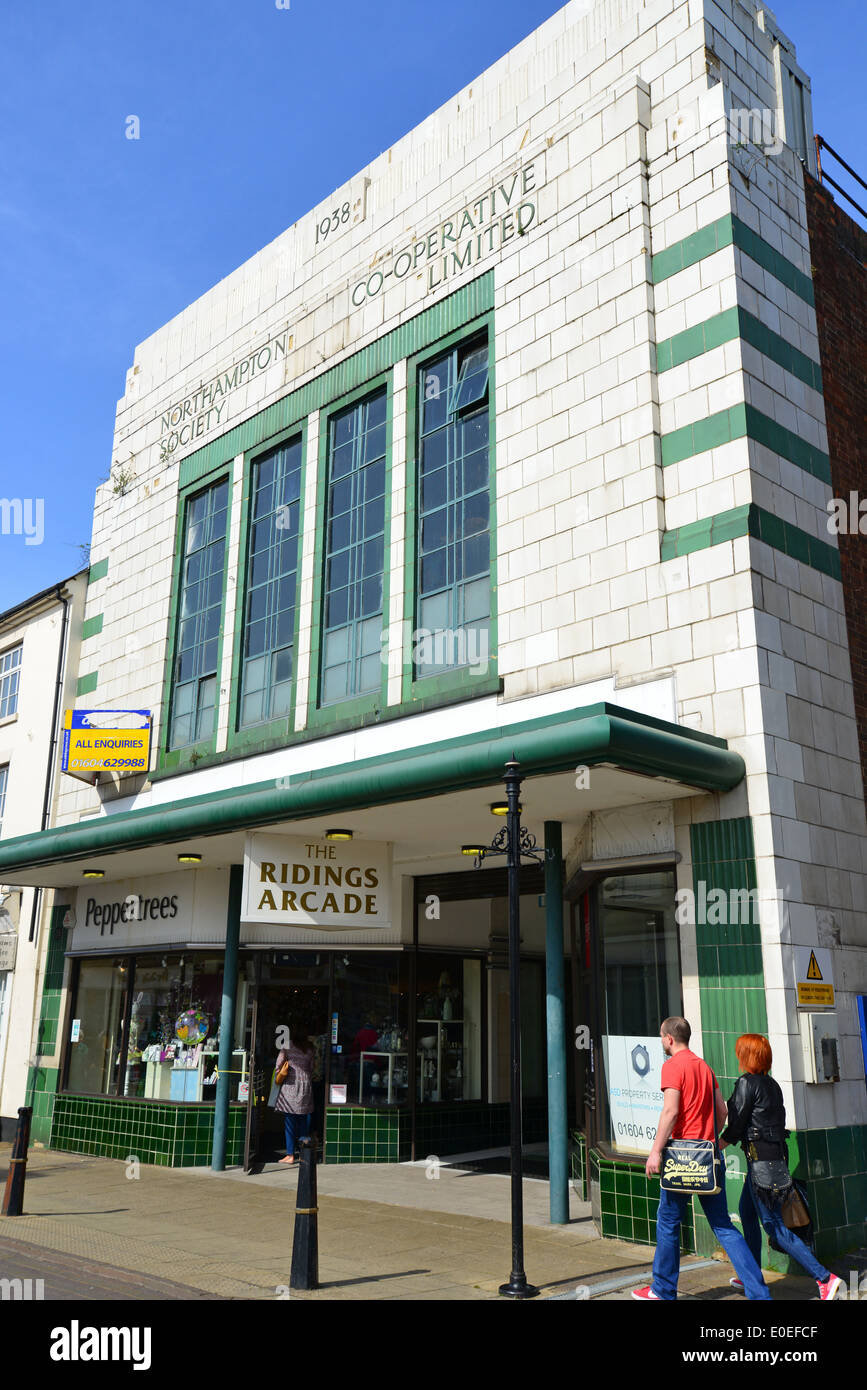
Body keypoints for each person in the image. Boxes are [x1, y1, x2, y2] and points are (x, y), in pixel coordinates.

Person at [632, 1016, 772, 1301]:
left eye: (661, 1037)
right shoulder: (705, 1067)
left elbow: (671, 1111)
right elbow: (722, 1112)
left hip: (681, 1158)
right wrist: (710, 1138)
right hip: (709, 1156)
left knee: (668, 1221)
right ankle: (759, 1293)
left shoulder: (672, 1066)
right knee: (723, 1225)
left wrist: (655, 1151)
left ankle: (663, 1290)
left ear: (669, 1038)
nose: (662, 1042)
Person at [721, 1033, 841, 1301]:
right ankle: (751, 1276)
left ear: (747, 1055)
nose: (737, 1055)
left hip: (761, 1163)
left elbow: (737, 1123)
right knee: (747, 1213)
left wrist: (718, 1144)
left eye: (740, 1051)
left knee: (773, 1224)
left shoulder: (746, 1083)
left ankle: (825, 1278)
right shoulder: (772, 1085)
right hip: (772, 1158)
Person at [275, 1024, 315, 1166]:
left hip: (291, 1086)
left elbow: (279, 1064)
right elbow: (312, 1068)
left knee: (290, 1122)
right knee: (303, 1121)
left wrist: (279, 1074)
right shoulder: (310, 1048)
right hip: (305, 1087)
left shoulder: (287, 1045)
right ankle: (304, 1154)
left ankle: (290, 1155)